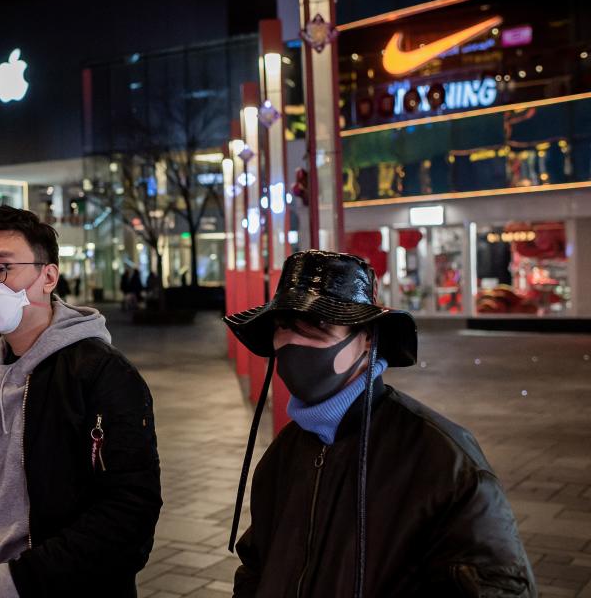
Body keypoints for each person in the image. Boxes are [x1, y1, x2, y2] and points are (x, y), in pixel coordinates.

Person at [223, 250, 535, 597]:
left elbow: (499, 587)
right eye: (284, 327)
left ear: (367, 337)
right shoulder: (284, 453)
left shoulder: (443, 461)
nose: (294, 344)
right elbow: (256, 566)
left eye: (317, 326)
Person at [0, 205, 161, 598]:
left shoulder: (102, 374)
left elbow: (129, 516)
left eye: (2, 269)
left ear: (48, 277)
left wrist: (17, 581)